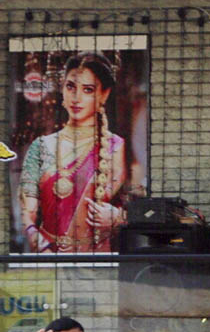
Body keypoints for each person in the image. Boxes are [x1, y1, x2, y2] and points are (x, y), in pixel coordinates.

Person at [18, 51, 129, 253]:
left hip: (98, 260)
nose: (76, 98)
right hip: (49, 258)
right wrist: (39, 243)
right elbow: (28, 211)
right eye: (70, 87)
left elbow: (143, 210)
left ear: (104, 94)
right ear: (62, 89)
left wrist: (118, 217)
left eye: (87, 90)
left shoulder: (117, 148)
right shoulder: (41, 146)